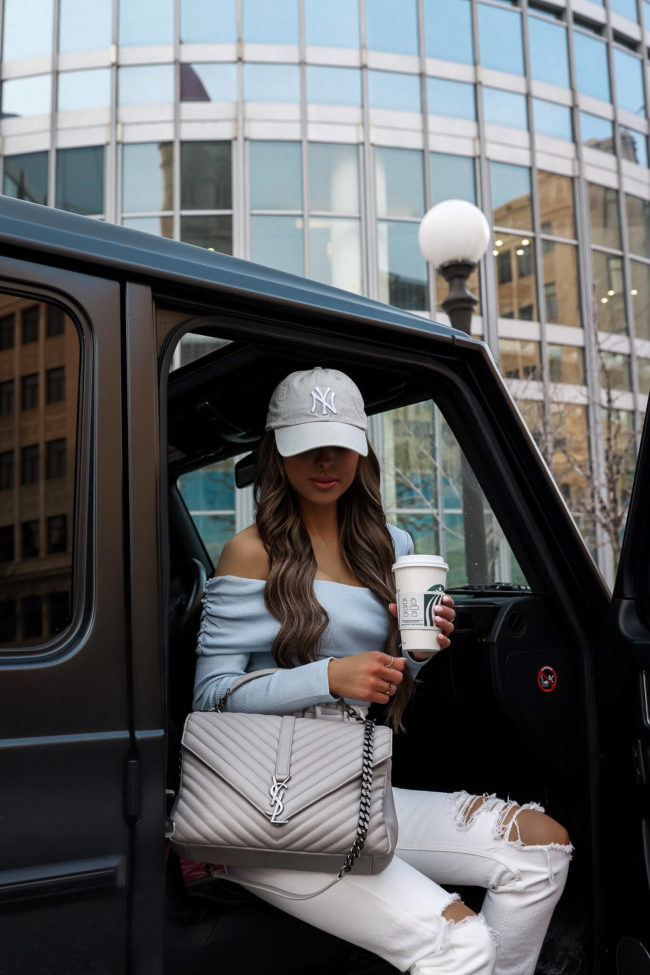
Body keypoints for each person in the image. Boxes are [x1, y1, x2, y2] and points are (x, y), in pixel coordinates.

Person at [193, 367, 572, 975]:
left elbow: (390, 683)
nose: (326, 459)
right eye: (306, 444)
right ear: (276, 454)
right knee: (462, 944)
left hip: (355, 785)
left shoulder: (391, 545)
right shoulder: (251, 549)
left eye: (341, 442)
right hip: (269, 805)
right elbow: (209, 702)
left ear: (362, 447)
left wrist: (418, 653)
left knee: (541, 848)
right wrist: (327, 676)